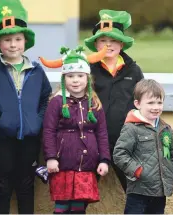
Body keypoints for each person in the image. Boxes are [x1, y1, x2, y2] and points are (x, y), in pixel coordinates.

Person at [0, 0, 52, 213]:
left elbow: (44, 99)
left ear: (25, 41)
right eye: (7, 40)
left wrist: (37, 120)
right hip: (2, 139)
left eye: (17, 39)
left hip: (30, 140)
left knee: (26, 186)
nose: (13, 44)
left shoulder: (37, 71)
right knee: (2, 186)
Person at [39, 45, 111, 214]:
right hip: (62, 164)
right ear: (64, 79)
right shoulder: (56, 102)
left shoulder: (94, 103)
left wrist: (104, 160)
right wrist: (50, 157)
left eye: (80, 75)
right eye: (70, 76)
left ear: (87, 78)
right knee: (62, 207)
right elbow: (48, 131)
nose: (75, 80)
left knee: (79, 207)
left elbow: (102, 133)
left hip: (86, 165)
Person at [84, 9, 144, 192]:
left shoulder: (133, 71)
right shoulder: (87, 70)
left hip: (125, 140)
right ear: (96, 43)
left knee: (134, 190)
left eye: (113, 41)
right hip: (94, 139)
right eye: (103, 40)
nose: (107, 45)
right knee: (84, 190)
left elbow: (143, 101)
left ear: (122, 45)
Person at [113, 79, 173, 214]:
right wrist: (138, 170)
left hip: (161, 192)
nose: (156, 107)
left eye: (159, 102)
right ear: (137, 104)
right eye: (151, 102)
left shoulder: (165, 129)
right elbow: (120, 154)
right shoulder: (131, 128)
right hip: (139, 192)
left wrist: (172, 171)